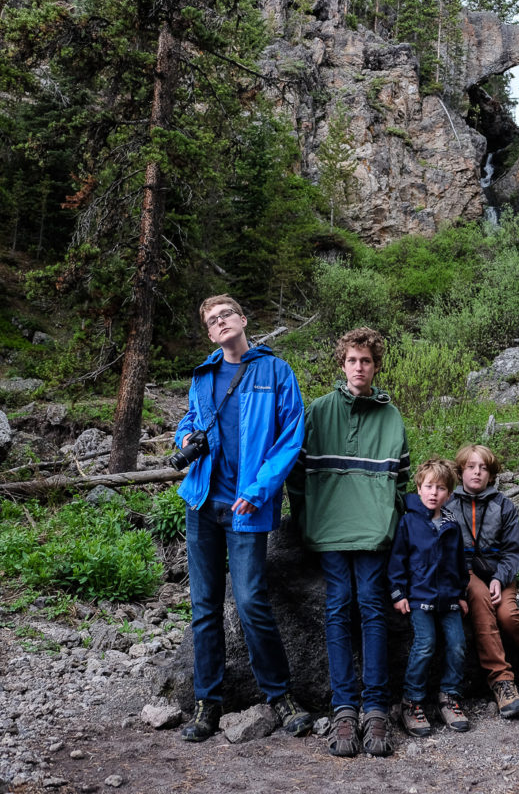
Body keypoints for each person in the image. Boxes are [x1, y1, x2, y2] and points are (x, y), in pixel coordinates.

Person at [174, 294, 311, 742]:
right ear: (210, 334)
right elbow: (190, 422)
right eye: (212, 321)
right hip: (203, 504)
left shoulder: (275, 371)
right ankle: (206, 704)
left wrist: (258, 491)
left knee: (251, 601)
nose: (219, 323)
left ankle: (280, 695)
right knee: (204, 607)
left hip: (246, 506)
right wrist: (187, 436)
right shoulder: (204, 374)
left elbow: (290, 438)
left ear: (243, 320)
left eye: (225, 315)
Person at [288, 327, 410, 758]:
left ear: (376, 366)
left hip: (374, 535)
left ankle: (375, 708)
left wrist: (389, 522)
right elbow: (297, 475)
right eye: (352, 360)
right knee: (338, 609)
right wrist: (306, 521)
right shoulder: (319, 411)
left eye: (367, 361)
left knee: (373, 610)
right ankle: (344, 710)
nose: (359, 368)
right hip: (329, 532)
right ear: (342, 364)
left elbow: (402, 480)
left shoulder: (391, 417)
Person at [444, 444, 519, 718]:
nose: (477, 472)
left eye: (483, 468)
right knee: (482, 603)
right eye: (471, 466)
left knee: (507, 613)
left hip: (499, 573)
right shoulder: (448, 505)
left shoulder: (503, 506)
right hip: (465, 573)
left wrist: (499, 578)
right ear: (461, 471)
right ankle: (502, 681)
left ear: (491, 475)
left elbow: (513, 552)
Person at [387, 457, 470, 737]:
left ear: (449, 493)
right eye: (429, 486)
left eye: (441, 488)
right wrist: (398, 593)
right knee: (426, 644)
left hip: (448, 599)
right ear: (419, 488)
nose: (434, 493)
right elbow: (397, 561)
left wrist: (460, 594)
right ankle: (412, 702)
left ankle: (449, 698)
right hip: (419, 598)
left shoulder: (452, 525)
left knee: (457, 644)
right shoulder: (408, 522)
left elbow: (459, 564)